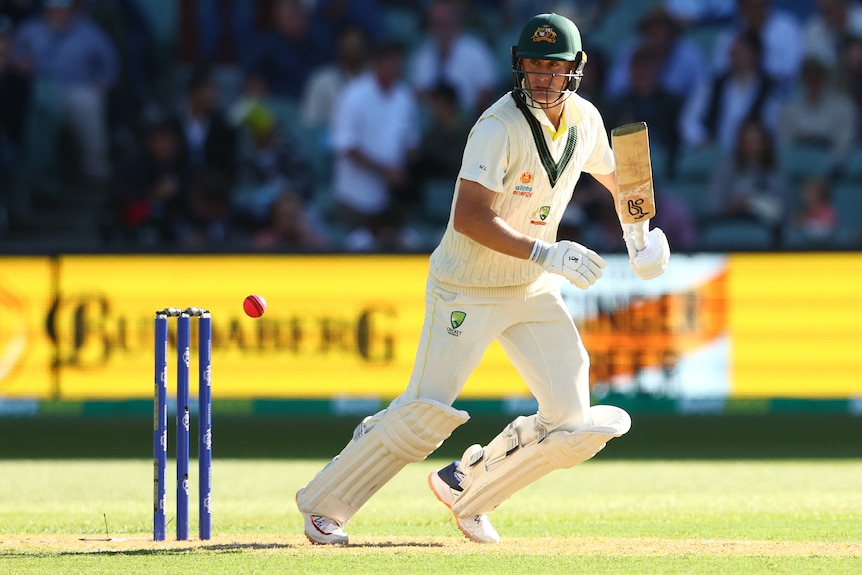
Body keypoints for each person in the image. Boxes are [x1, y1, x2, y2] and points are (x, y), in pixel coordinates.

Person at [296, 13, 670, 545]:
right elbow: (470, 217)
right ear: (519, 67)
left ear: (576, 70)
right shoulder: (497, 127)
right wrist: (547, 252)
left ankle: (467, 486)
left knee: (572, 419)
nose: (544, 77)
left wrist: (642, 239)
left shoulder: (585, 120)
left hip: (531, 287)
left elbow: (621, 178)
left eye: (555, 67)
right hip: (466, 287)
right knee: (424, 414)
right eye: (535, 66)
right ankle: (324, 505)